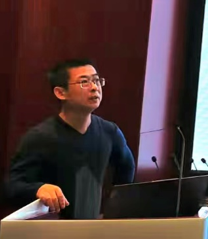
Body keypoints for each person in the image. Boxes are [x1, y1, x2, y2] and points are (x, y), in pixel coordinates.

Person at [6, 59, 136, 219]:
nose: (95, 87)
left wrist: (114, 209)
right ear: (61, 93)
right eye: (84, 82)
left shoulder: (110, 132)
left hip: (96, 226)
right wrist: (38, 189)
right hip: (52, 227)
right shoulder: (40, 137)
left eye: (96, 80)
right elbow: (12, 187)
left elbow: (127, 168)